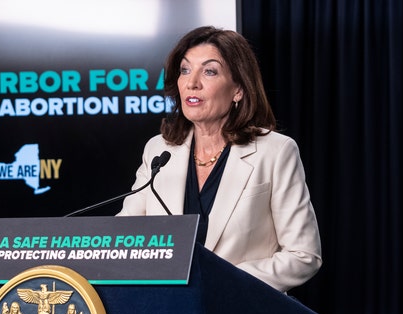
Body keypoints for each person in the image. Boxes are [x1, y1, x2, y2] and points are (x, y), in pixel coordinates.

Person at [117, 26, 322, 292]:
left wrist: (224, 281)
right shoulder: (158, 150)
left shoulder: (276, 151)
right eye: (185, 70)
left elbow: (304, 256)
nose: (192, 83)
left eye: (209, 71)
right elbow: (122, 239)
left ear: (238, 89)